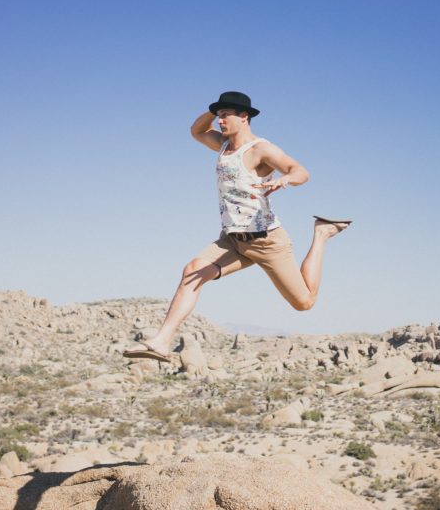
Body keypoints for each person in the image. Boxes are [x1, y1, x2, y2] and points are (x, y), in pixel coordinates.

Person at [123, 91, 351, 363]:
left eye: (225, 115)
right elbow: (196, 130)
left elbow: (301, 171)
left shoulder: (260, 149)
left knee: (304, 303)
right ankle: (161, 342)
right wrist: (214, 108)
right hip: (232, 240)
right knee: (192, 272)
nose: (219, 122)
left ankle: (322, 233)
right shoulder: (221, 145)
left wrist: (285, 179)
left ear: (244, 117)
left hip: (265, 241)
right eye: (218, 116)